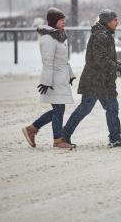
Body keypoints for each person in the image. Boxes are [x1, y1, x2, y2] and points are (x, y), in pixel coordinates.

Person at [62, 9, 121, 148]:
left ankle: (115, 138)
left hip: (103, 81)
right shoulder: (101, 36)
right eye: (115, 20)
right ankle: (64, 136)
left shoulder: (104, 34)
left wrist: (118, 64)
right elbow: (100, 59)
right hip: (95, 80)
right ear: (107, 22)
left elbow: (105, 58)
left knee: (111, 107)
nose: (117, 23)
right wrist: (116, 67)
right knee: (86, 108)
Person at [22, 8, 75, 149]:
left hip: (60, 78)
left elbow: (63, 60)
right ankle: (57, 140)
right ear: (53, 21)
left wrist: (70, 74)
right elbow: (47, 61)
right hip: (53, 80)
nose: (64, 22)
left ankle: (32, 129)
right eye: (61, 20)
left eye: (64, 20)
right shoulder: (48, 38)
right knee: (59, 109)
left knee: (59, 110)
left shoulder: (59, 36)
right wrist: (46, 81)